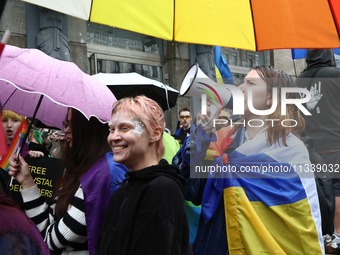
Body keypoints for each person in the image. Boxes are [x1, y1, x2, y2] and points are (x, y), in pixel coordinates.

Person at [174, 66, 324, 254]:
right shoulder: (222, 139)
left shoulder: (292, 149)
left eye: (250, 83)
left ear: (272, 97)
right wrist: (201, 134)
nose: (240, 87)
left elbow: (304, 217)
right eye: (242, 81)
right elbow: (190, 190)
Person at [8, 108, 128, 255]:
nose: (66, 130)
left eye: (72, 125)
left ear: (89, 129)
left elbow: (49, 240)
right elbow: (47, 223)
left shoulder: (99, 178)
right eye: (66, 123)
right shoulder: (77, 173)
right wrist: (27, 181)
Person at [97, 96, 189, 255]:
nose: (114, 137)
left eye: (125, 128)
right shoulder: (123, 191)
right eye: (111, 129)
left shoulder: (161, 190)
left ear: (155, 133)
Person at [296, 49, 340, 252]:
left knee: (319, 191)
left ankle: (321, 234)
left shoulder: (299, 80)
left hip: (310, 148)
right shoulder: (335, 74)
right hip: (335, 145)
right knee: (337, 189)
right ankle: (337, 235)